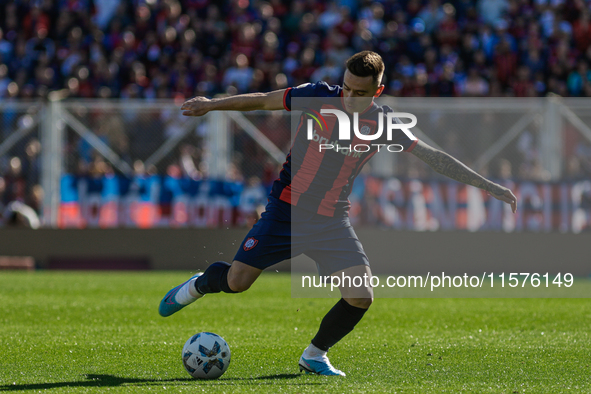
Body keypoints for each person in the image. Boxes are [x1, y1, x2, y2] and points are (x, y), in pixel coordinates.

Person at [158, 51, 517, 376]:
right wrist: (212, 104)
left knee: (361, 295)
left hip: (332, 219)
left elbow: (434, 157)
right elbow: (265, 100)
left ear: (377, 92)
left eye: (360, 92)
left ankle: (314, 354)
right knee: (237, 283)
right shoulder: (317, 96)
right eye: (347, 88)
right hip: (287, 212)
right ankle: (201, 283)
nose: (350, 96)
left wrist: (487, 185)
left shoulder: (384, 124)